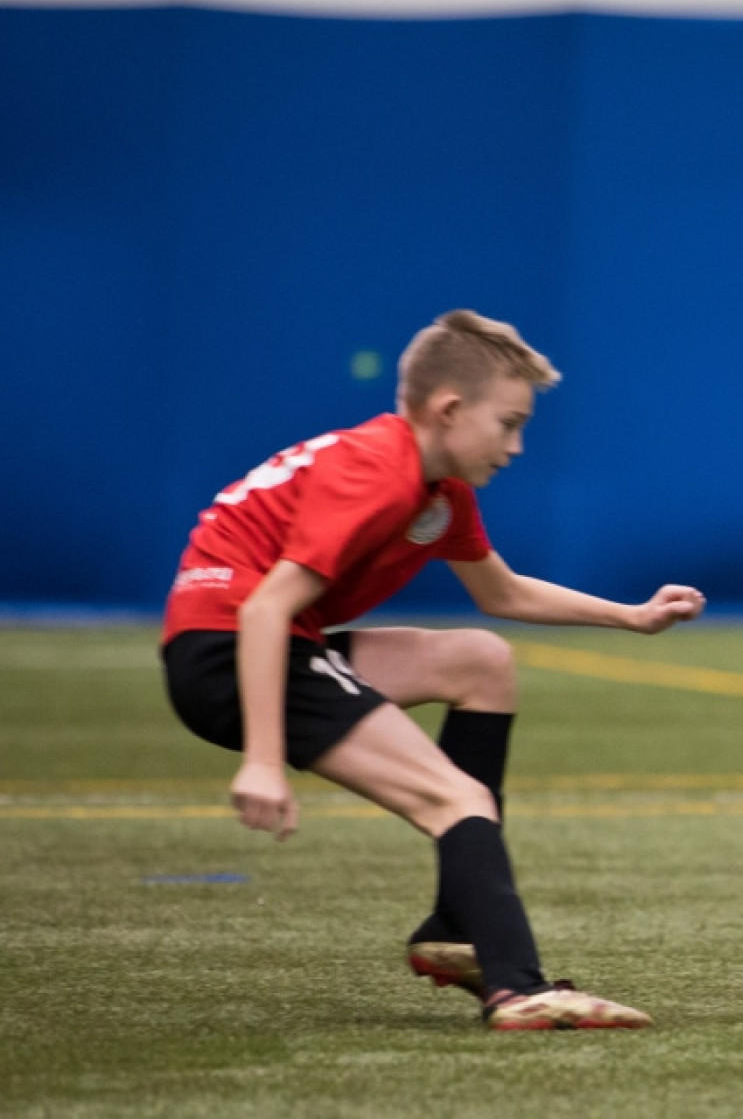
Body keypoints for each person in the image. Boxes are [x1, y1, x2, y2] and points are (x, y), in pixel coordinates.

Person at [160, 310, 706, 1030]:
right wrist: (263, 760)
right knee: (459, 800)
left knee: (481, 662)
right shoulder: (377, 472)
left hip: (260, 640)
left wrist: (631, 615)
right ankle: (518, 988)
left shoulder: (437, 488)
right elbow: (265, 610)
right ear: (449, 410)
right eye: (507, 424)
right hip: (231, 653)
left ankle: (453, 928)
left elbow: (501, 594)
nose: (516, 446)